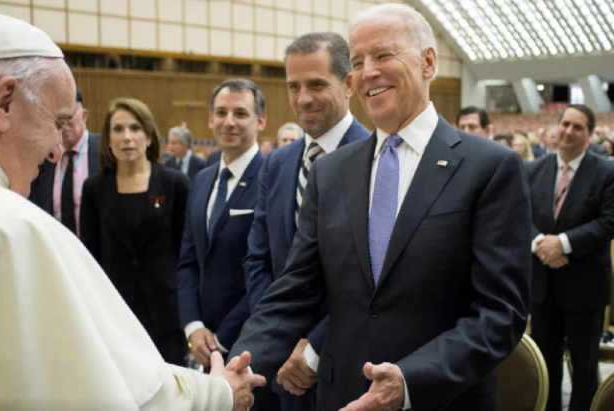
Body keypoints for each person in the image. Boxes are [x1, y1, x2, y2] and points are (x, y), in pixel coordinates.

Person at [0, 13, 265, 411]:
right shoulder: (8, 226)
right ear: (4, 102)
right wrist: (220, 392)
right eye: (55, 122)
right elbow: (116, 393)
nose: (57, 149)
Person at [228, 4, 531, 411]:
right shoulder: (330, 172)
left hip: (440, 399)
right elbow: (294, 291)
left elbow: (500, 315)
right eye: (357, 61)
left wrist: (409, 382)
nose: (367, 71)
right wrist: (240, 365)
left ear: (428, 62)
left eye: (383, 55)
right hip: (342, 396)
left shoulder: (490, 167)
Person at [243, 31, 370, 411]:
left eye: (316, 84)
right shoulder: (278, 164)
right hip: (282, 371)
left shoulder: (378, 159)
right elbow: (258, 259)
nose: (303, 98)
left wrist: (313, 346)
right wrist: (279, 339)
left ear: (348, 84)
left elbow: (372, 279)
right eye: (293, 86)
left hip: (348, 367)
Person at [177, 79, 276, 410]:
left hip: (249, 342)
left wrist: (222, 337)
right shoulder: (203, 178)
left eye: (240, 113)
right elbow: (190, 260)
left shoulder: (272, 178)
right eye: (221, 112)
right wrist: (193, 327)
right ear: (210, 119)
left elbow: (270, 270)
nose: (229, 121)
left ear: (260, 121)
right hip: (202, 346)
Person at [79, 98, 189, 365]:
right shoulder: (94, 188)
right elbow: (90, 256)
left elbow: (185, 254)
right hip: (115, 311)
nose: (127, 137)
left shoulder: (175, 184)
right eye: (118, 130)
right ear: (107, 139)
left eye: (135, 128)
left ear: (150, 137)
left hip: (166, 313)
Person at [528, 104, 614, 411]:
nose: (568, 131)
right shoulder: (534, 169)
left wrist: (563, 244)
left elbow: (609, 220)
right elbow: (518, 214)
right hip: (542, 285)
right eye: (565, 124)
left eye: (578, 127)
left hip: (585, 286)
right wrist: (540, 243)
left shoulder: (606, 171)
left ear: (590, 135)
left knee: (584, 367)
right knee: (545, 365)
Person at [28, 90, 100, 236]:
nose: (64, 124)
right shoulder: (42, 158)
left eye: (69, 116)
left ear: (84, 116)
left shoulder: (105, 152)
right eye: (57, 118)